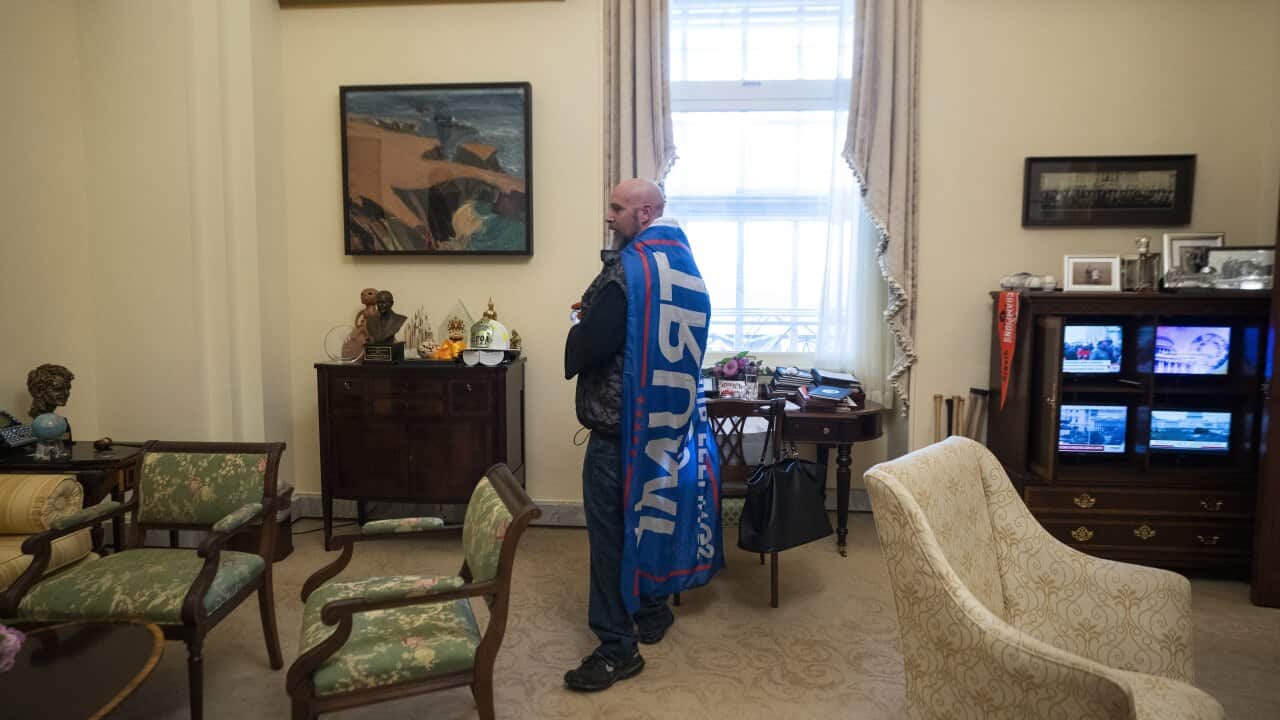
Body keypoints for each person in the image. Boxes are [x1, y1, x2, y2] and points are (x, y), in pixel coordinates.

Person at [562, 178, 677, 692]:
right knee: (647, 522)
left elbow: (591, 346)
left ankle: (616, 648)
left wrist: (575, 326)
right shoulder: (671, 269)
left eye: (617, 207)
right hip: (656, 427)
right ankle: (652, 613)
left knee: (609, 540)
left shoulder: (625, 274)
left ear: (646, 213)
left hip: (615, 434)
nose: (609, 215)